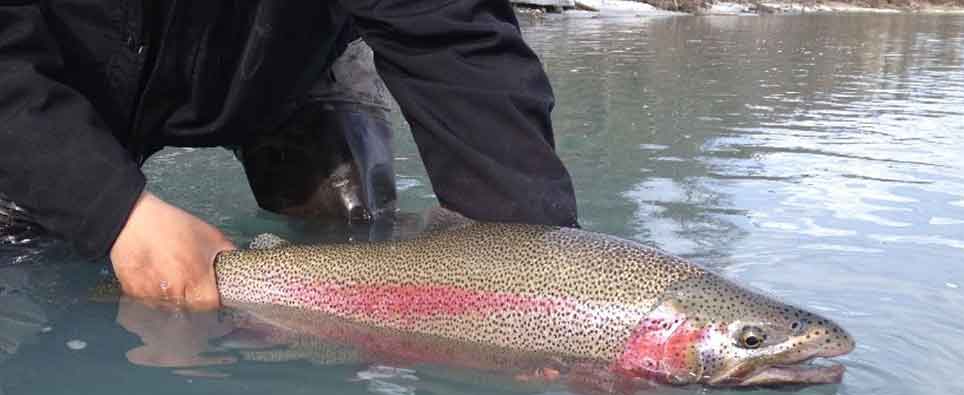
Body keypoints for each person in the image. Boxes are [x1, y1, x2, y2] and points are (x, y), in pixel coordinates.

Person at [0, 1, 578, 308]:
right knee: (39, 255)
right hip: (61, 75)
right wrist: (113, 211)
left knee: (357, 229)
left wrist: (534, 268)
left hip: (291, 68)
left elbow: (454, 39)